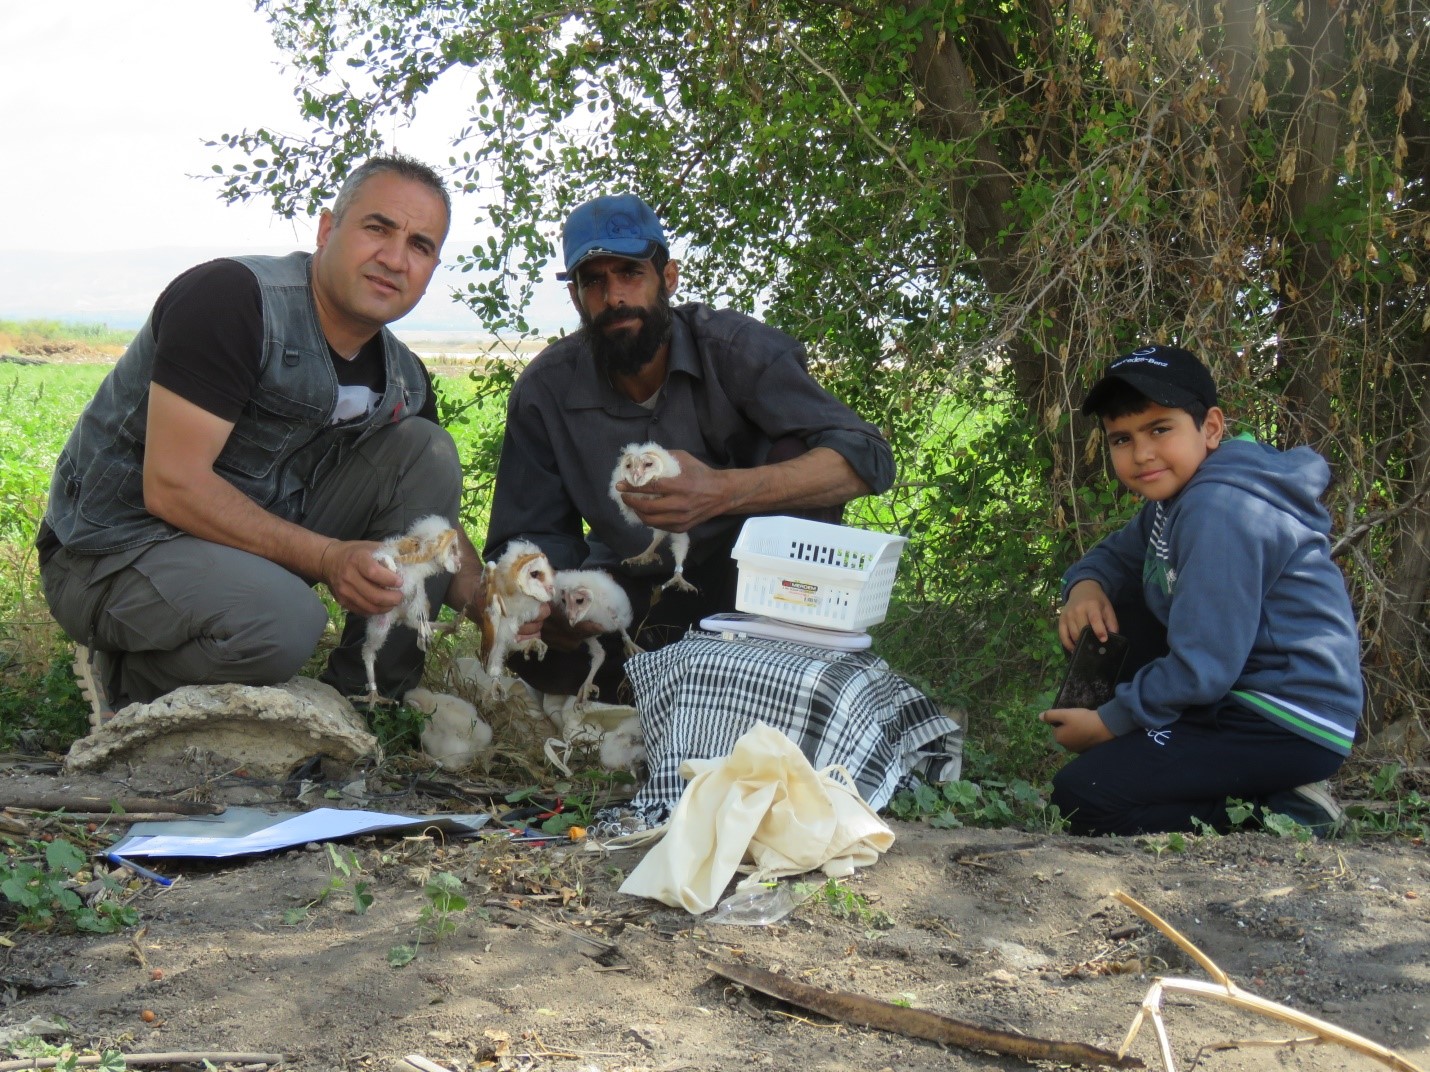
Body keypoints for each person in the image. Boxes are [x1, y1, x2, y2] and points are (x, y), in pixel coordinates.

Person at [38, 154, 497, 721]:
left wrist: (487, 597)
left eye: (421, 246)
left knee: (425, 450)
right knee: (284, 624)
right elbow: (172, 487)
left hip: (247, 549)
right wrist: (329, 557)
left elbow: (434, 528)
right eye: (377, 228)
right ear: (328, 229)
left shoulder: (402, 375)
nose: (395, 258)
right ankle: (127, 680)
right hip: (115, 548)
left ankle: (370, 699)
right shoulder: (232, 300)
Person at [484, 193, 896, 699]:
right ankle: (673, 685)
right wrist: (544, 605)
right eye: (594, 281)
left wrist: (722, 491)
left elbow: (866, 456)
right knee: (543, 659)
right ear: (576, 298)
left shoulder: (736, 351)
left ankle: (771, 671)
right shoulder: (545, 391)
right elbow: (528, 537)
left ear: (669, 278)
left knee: (797, 455)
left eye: (631, 273)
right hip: (637, 586)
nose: (614, 297)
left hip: (752, 588)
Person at [1042, 344, 1363, 836]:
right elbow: (1112, 557)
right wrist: (1084, 587)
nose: (1142, 453)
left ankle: (1277, 811)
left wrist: (1108, 722)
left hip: (1284, 716)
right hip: (1237, 696)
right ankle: (1220, 777)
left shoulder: (1220, 510)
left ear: (1210, 428)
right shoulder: (1174, 498)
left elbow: (1201, 668)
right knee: (1115, 599)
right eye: (1121, 439)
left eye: (1159, 429)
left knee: (1082, 799)